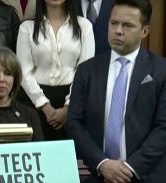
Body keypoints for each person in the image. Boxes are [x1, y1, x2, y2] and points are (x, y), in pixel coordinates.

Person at [66, 0, 166, 182]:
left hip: (146, 175)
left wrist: (129, 168)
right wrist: (103, 164)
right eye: (113, 23)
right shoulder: (87, 70)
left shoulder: (160, 71)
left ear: (145, 31)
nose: (118, 31)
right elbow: (74, 123)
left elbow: (163, 128)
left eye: (127, 25)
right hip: (99, 174)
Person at [16, 0, 95, 140]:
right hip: (34, 101)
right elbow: (24, 72)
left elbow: (85, 70)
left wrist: (67, 108)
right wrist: (44, 106)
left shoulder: (84, 26)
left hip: (73, 100)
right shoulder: (27, 27)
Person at [0, 47, 44, 141]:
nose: (2, 79)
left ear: (14, 80)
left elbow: (40, 152)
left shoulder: (30, 115)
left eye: (8, 74)